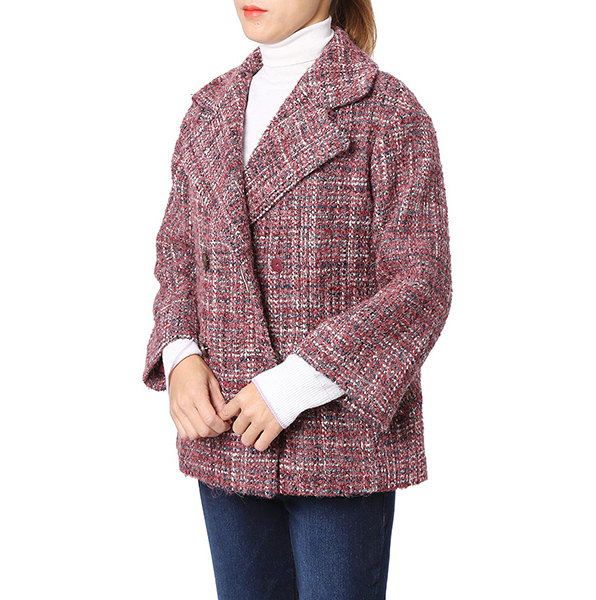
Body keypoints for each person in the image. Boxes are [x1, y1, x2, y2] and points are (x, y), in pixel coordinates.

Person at [143, 1, 452, 598]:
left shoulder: (387, 112)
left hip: (338, 445)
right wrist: (179, 354)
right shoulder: (210, 109)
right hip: (226, 434)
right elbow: (178, 250)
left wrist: (295, 384)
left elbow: (422, 282)